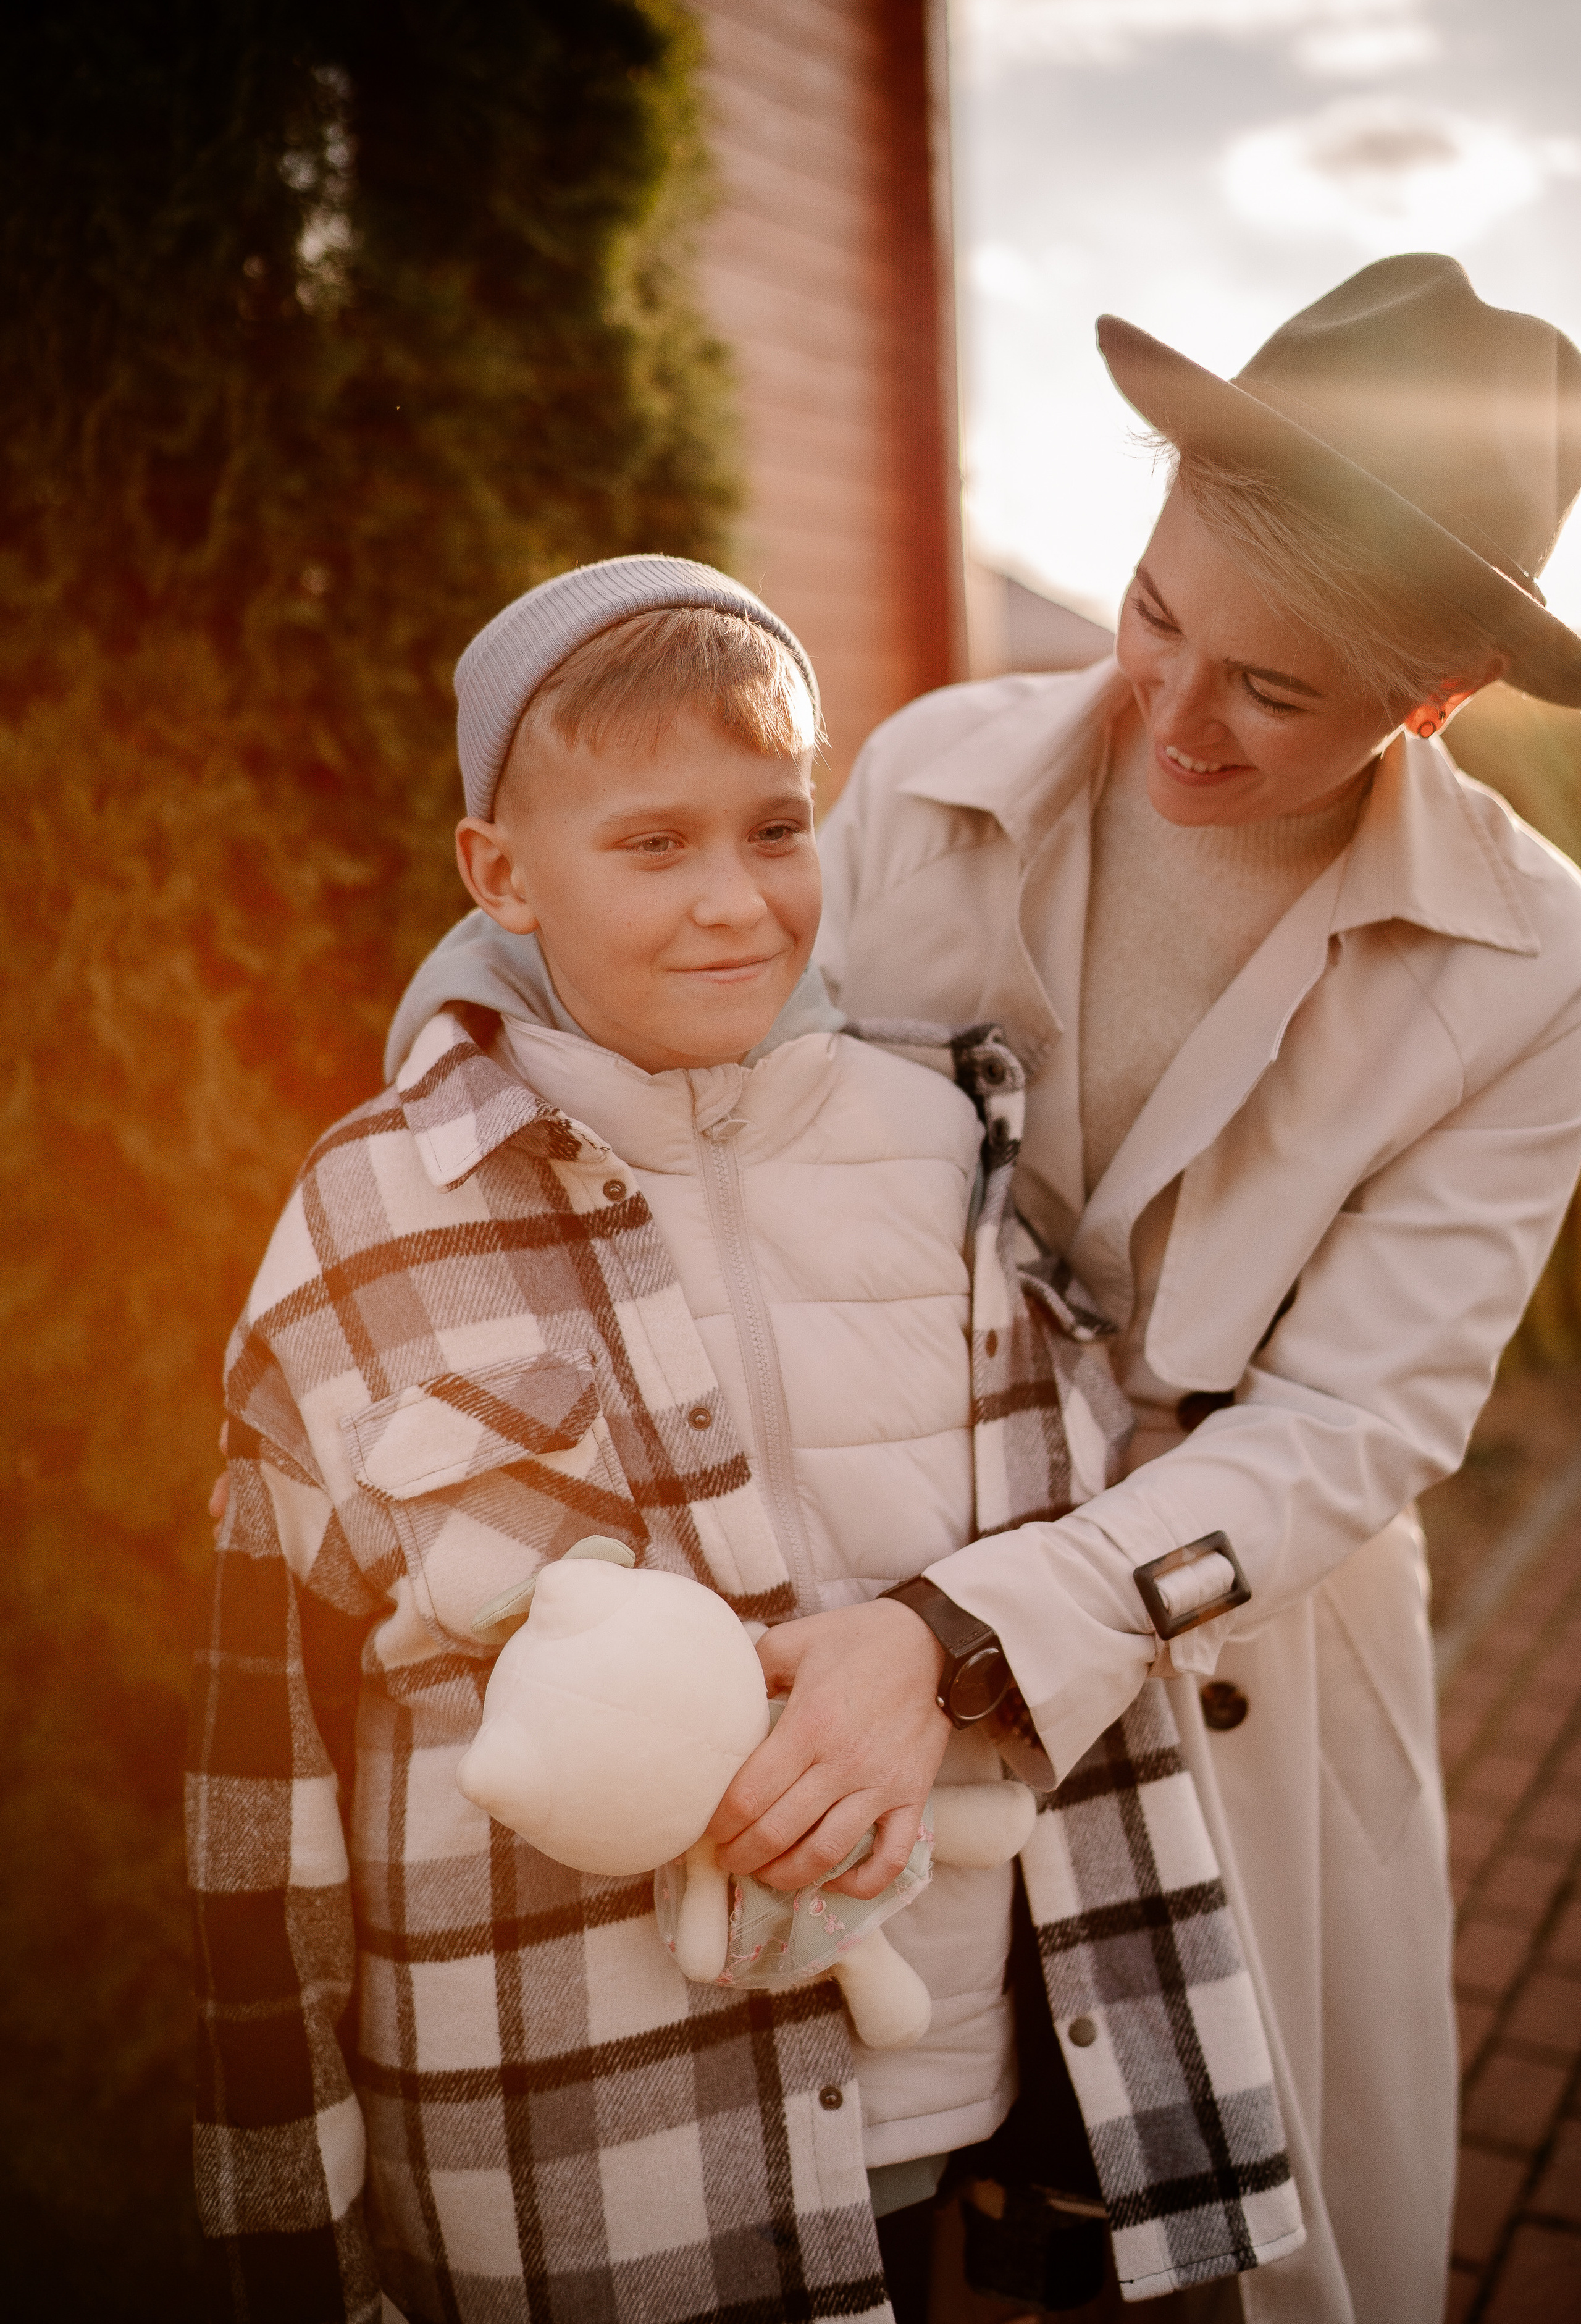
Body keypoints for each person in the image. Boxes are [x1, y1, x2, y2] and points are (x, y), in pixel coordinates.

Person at [194, 557, 1262, 2324]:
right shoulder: (367, 1222)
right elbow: (266, 1793)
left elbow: (1094, 1551)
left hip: (960, 2087)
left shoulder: (948, 1148)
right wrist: (296, 2247)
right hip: (602, 2181)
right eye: (651, 844)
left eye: (776, 828)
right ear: (501, 872)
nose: (734, 904)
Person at [705, 255, 1581, 2322]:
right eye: (1159, 614)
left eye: (1272, 690)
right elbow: (726, 1090)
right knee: (875, 2208)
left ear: (1433, 700)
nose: (1171, 718)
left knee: (1187, 2255)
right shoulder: (925, 779)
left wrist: (970, 1636)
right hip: (857, 1624)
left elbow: (1358, 1423)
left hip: (1230, 1672)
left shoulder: (1537, 969)